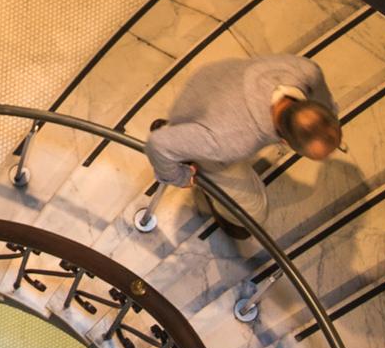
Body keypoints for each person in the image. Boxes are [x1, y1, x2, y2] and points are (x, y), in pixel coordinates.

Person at [145, 54, 342, 246]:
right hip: (196, 118)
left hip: (215, 81)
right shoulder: (232, 140)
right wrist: (180, 176)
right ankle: (191, 155)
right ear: (284, 141)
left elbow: (328, 105)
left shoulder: (307, 71)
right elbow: (159, 145)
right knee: (252, 214)